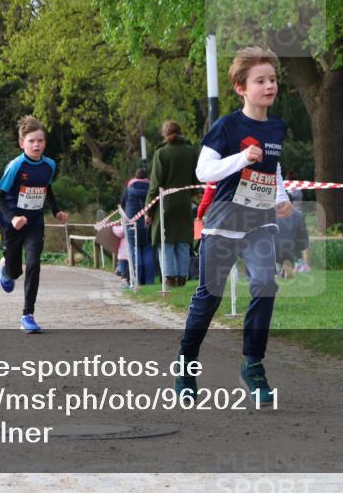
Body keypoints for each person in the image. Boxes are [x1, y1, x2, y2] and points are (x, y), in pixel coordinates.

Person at [174, 46, 291, 407]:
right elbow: (203, 171)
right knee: (209, 297)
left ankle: (253, 365)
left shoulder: (276, 127)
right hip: (224, 222)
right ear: (241, 88)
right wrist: (241, 157)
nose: (269, 86)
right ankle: (186, 365)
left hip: (260, 221)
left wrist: (281, 196)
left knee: (265, 284)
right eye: (260, 81)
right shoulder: (226, 126)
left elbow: (273, 168)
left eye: (272, 79)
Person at [0, 115, 68, 333]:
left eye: (40, 141)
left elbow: (47, 188)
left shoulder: (49, 165)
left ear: (45, 143)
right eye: (31, 141)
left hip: (35, 223)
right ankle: (6, 269)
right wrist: (13, 218)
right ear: (22, 143)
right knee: (14, 272)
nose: (36, 145)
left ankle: (28, 315)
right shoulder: (16, 166)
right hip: (13, 224)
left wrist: (56, 210)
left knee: (34, 263)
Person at [147, 121, 198, 287]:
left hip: (165, 205)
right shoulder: (191, 151)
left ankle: (170, 278)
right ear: (180, 131)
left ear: (165, 133)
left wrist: (148, 210)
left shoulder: (161, 153)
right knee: (183, 241)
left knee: (166, 242)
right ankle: (182, 278)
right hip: (185, 203)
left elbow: (155, 185)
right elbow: (196, 180)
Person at [118, 168, 155, 286]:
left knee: (135, 250)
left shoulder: (128, 190)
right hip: (148, 224)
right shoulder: (151, 190)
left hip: (131, 225)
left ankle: (136, 280)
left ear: (135, 177)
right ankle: (149, 281)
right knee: (148, 250)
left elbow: (121, 205)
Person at [274, 191, 310, 278]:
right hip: (290, 249)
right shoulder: (298, 216)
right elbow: (304, 242)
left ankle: (278, 268)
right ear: (292, 203)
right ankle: (288, 264)